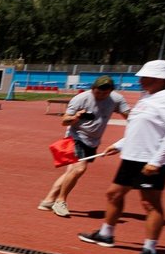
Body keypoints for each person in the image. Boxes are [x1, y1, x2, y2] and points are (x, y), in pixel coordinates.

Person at [79, 59, 165, 254]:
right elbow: (140, 127)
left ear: (159, 78)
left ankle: (150, 250)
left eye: (145, 77)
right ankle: (106, 234)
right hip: (132, 156)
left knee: (150, 204)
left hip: (151, 160)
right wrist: (120, 144)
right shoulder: (148, 97)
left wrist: (157, 161)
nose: (140, 80)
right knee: (114, 194)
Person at [38, 75, 129, 217]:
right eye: (98, 92)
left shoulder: (116, 99)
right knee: (79, 168)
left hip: (93, 141)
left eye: (105, 93)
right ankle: (60, 201)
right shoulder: (81, 99)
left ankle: (48, 201)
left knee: (71, 172)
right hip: (76, 137)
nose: (101, 95)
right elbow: (64, 121)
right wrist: (76, 117)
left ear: (111, 91)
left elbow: (129, 116)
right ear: (93, 88)